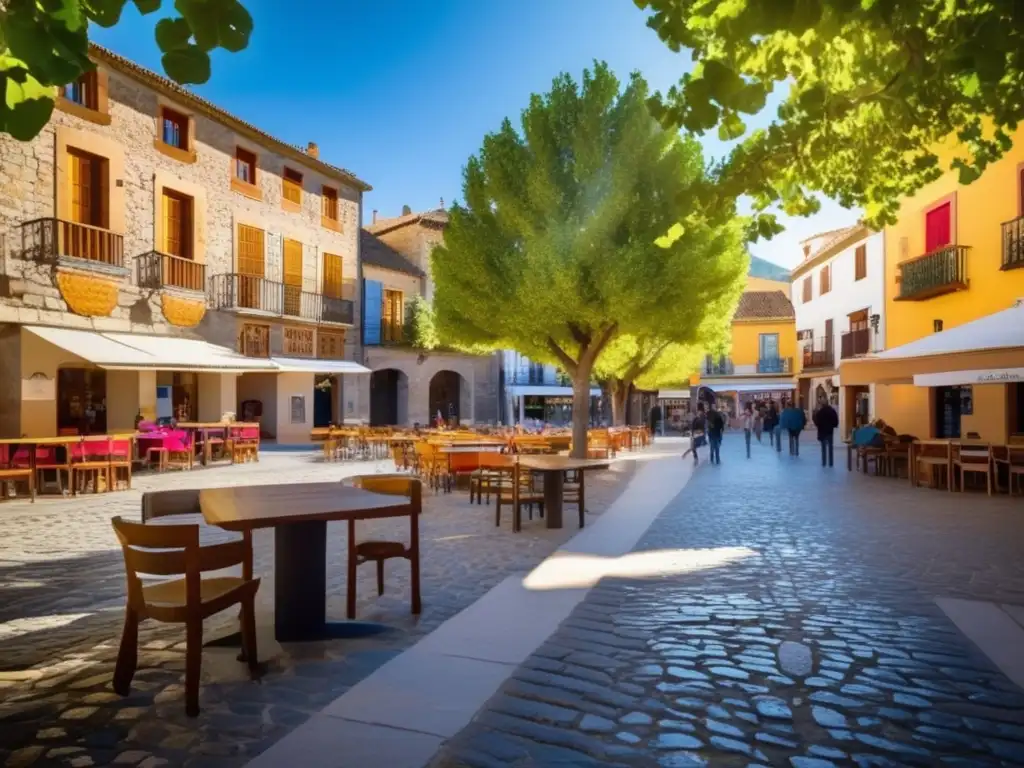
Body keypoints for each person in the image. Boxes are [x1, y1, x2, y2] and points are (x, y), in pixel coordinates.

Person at [813, 398, 840, 467]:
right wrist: (833, 425)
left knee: (823, 448)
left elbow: (816, 422)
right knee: (830, 447)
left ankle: (824, 462)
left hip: (822, 432)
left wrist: (819, 425)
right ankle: (831, 463)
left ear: (822, 404)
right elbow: (836, 421)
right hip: (829, 431)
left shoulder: (820, 412)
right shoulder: (832, 411)